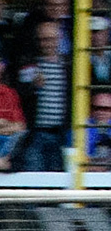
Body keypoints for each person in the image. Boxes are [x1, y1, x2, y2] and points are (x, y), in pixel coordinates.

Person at [16, 19, 70, 170]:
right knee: (34, 177)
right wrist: (32, 86)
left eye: (50, 39)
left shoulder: (68, 65)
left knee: (60, 177)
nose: (46, 43)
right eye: (42, 39)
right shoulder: (29, 64)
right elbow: (20, 96)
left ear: (59, 39)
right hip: (36, 134)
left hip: (62, 134)